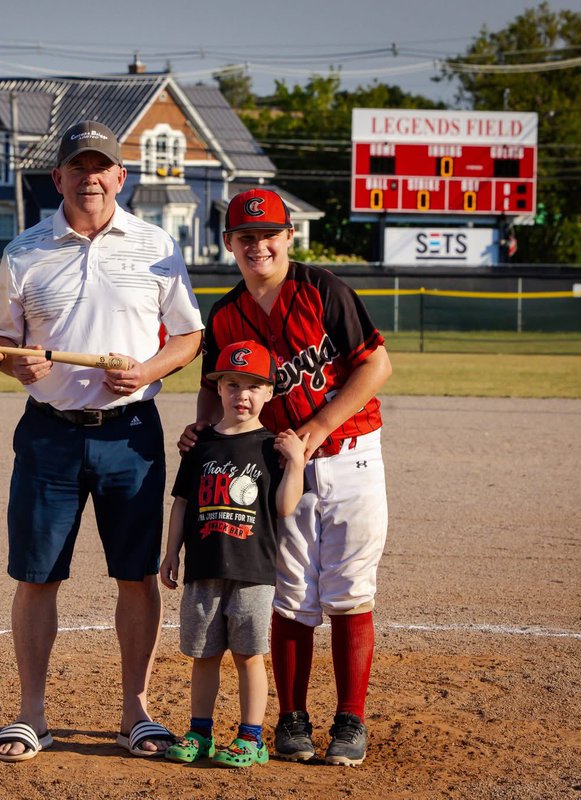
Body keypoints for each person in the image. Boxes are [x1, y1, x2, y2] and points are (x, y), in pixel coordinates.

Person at [0, 120, 204, 762]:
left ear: (120, 177)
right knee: (37, 575)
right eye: (79, 166)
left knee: (136, 574)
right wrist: (16, 362)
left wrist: (149, 370)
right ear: (59, 177)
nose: (90, 177)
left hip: (131, 434)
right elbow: (3, 340)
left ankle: (136, 712)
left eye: (102, 167)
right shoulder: (24, 250)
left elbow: (188, 336)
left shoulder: (156, 245)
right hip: (48, 436)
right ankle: (31, 715)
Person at [180, 188, 392, 767]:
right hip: (276, 467)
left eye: (268, 234)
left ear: (288, 237)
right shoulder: (225, 313)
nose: (258, 246)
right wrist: (204, 439)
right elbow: (211, 387)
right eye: (245, 237)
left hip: (350, 453)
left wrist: (316, 430)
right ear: (229, 244)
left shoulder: (322, 289)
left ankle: (350, 720)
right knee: (292, 593)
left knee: (350, 590)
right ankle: (292, 719)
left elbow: (377, 364)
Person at [159, 340, 309, 769]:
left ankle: (251, 737)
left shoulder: (272, 447)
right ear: (218, 388)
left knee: (248, 655)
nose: (241, 394)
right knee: (203, 654)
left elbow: (284, 507)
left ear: (269, 393)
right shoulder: (201, 445)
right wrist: (171, 553)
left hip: (253, 570)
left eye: (253, 386)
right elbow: (183, 502)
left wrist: (296, 463)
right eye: (232, 384)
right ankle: (200, 731)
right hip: (203, 568)